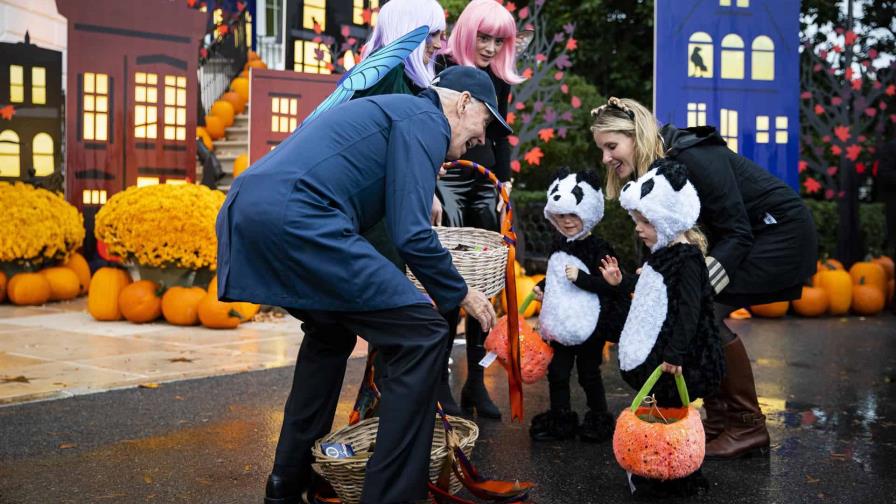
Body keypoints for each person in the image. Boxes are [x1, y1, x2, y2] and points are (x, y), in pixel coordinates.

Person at [215, 65, 510, 504]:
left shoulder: (399, 114)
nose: (484, 140)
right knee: (425, 333)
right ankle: (390, 497)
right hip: (300, 215)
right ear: (463, 102)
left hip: (248, 208)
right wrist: (460, 291)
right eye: (486, 122)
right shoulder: (425, 117)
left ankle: (286, 483)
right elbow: (412, 233)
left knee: (330, 333)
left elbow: (392, 221)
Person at [590, 97, 818, 459]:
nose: (605, 158)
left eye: (611, 146)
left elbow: (737, 230)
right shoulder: (659, 167)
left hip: (779, 234)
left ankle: (746, 425)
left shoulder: (694, 156)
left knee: (701, 310)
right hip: (745, 238)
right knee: (690, 307)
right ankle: (718, 421)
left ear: (637, 136)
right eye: (602, 149)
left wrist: (691, 280)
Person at [347, 0, 449, 424]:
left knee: (337, 342)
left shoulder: (375, 69)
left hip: (363, 215)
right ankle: (383, 437)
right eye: (433, 36)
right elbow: (396, 157)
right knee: (393, 326)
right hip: (376, 222)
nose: (441, 46)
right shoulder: (392, 76)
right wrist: (423, 191)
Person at [605, 158, 724, 497]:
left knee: (670, 414)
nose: (638, 228)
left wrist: (675, 352)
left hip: (675, 359)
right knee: (658, 412)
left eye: (646, 221)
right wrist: (622, 282)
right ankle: (657, 467)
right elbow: (652, 293)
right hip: (662, 355)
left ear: (669, 219)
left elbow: (689, 309)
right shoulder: (662, 254)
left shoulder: (686, 258)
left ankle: (676, 474)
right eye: (637, 220)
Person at [433, 0, 526, 420]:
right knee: (449, 274)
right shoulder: (443, 68)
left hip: (486, 184)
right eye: (484, 37)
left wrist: (506, 182)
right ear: (469, 33)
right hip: (449, 177)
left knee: (483, 277)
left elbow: (502, 135)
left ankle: (474, 383)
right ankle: (437, 381)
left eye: (498, 40)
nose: (490, 47)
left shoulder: (499, 80)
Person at [527, 169, 628, 443]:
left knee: (588, 375)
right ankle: (561, 419)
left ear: (589, 212)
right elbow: (558, 274)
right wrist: (544, 286)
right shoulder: (557, 242)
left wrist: (582, 279)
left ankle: (598, 418)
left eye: (573, 215)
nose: (567, 221)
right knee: (557, 373)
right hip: (560, 324)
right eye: (560, 215)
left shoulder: (600, 247)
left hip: (589, 327)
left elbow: (613, 286)